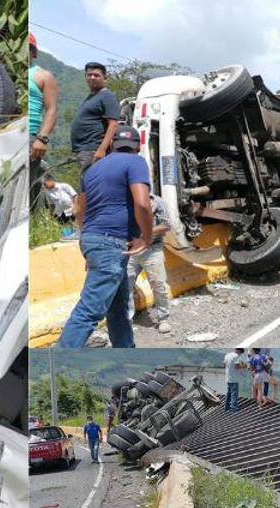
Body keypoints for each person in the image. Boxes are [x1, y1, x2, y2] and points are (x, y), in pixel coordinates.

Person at [57, 124, 153, 348]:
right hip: (112, 243)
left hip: (94, 239)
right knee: (89, 311)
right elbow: (142, 203)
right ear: (137, 147)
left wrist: (89, 243)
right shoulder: (136, 162)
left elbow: (80, 209)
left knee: (118, 308)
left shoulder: (91, 170)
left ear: (111, 144)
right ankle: (59, 360)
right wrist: (146, 237)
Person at [126, 193, 172, 333]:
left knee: (158, 283)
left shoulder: (157, 201)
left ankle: (163, 318)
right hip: (130, 249)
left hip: (152, 248)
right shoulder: (125, 201)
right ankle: (126, 320)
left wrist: (144, 234)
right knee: (125, 284)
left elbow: (166, 225)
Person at [70, 62, 120, 177]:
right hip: (84, 150)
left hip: (93, 149)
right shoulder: (92, 96)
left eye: (96, 75)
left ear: (105, 78)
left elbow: (113, 124)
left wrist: (102, 149)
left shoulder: (107, 96)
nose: (92, 77)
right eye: (89, 75)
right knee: (86, 182)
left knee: (90, 183)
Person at [28, 34, 58, 211]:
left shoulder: (43, 76)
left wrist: (42, 138)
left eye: (29, 48)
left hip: (31, 136)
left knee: (28, 185)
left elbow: (52, 109)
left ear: (34, 52)